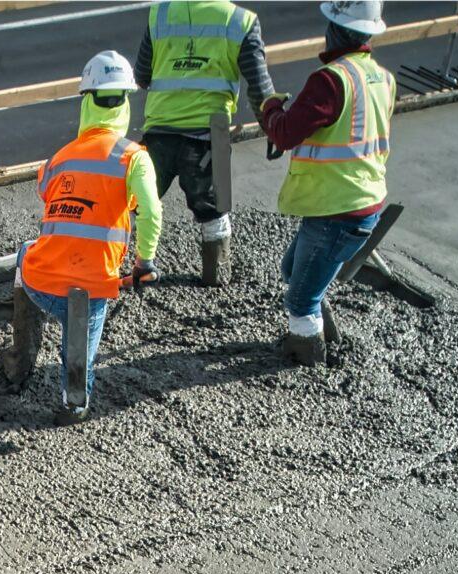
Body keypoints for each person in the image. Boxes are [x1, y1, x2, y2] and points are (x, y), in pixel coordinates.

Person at [0, 53, 162, 422]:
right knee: (80, 344)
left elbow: (47, 192)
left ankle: (20, 358)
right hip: (90, 288)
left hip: (42, 279)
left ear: (86, 101)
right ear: (125, 102)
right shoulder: (134, 158)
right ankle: (74, 404)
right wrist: (144, 262)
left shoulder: (59, 158)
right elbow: (151, 211)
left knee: (25, 253)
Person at [260, 0, 395, 364]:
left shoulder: (330, 80)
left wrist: (269, 109)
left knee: (300, 298)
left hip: (337, 207)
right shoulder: (382, 78)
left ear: (334, 28)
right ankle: (322, 330)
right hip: (360, 200)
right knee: (293, 270)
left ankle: (307, 354)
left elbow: (286, 132)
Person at [134, 2, 278, 285]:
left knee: (136, 202)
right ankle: (217, 276)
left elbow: (141, 75)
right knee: (216, 207)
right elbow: (260, 88)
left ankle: (111, 269)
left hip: (160, 125)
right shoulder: (242, 21)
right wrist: (273, 128)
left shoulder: (160, 13)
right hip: (214, 130)